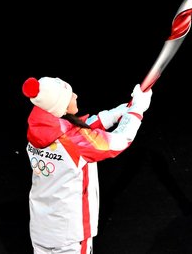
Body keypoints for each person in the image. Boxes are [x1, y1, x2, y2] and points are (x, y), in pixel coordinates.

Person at [22, 76, 153, 254]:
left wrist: (120, 112)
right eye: (70, 95)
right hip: (70, 236)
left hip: (41, 229)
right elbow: (121, 140)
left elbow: (80, 130)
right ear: (61, 107)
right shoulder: (72, 142)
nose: (75, 95)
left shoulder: (37, 131)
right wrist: (137, 110)